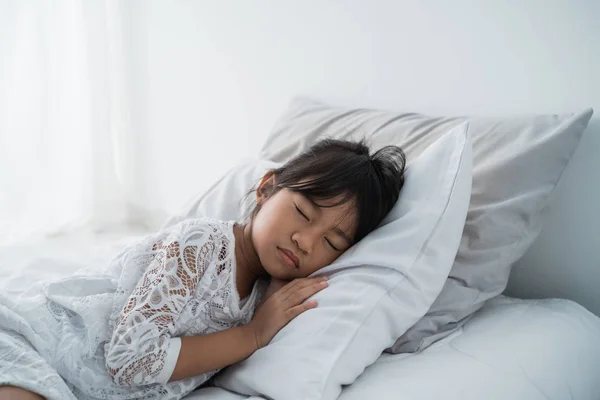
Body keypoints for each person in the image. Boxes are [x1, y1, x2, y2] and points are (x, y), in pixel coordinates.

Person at [0, 138, 406, 400]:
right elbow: (129, 358)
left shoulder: (270, 297)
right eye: (302, 212)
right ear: (266, 189)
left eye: (332, 243)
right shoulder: (201, 246)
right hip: (41, 344)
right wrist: (253, 335)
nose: (306, 241)